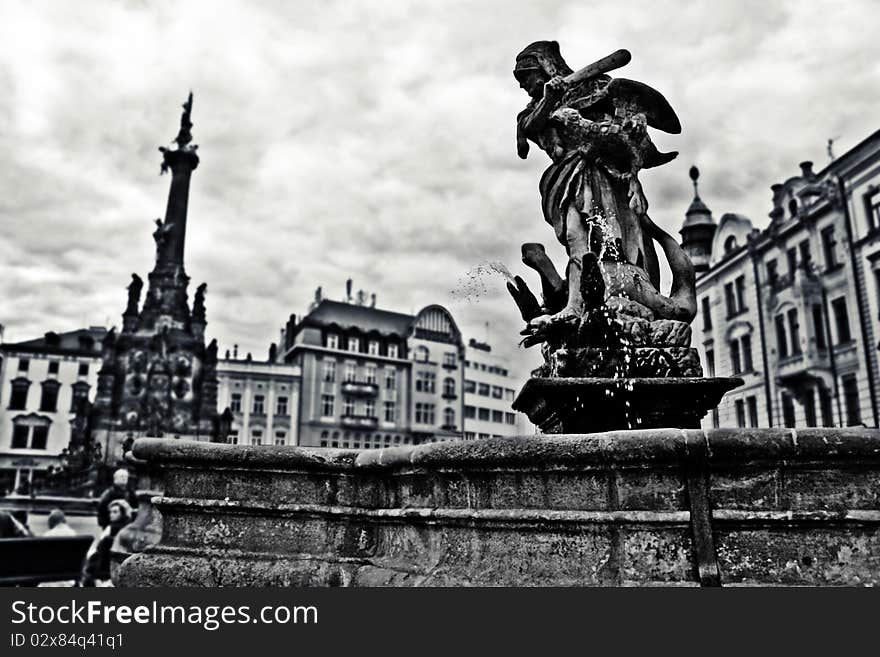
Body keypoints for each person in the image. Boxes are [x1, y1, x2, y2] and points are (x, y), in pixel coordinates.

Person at [80, 499, 132, 586]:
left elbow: (99, 547)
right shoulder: (128, 529)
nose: (111, 515)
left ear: (123, 513)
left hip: (102, 567)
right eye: (110, 512)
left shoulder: (110, 529)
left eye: (115, 512)